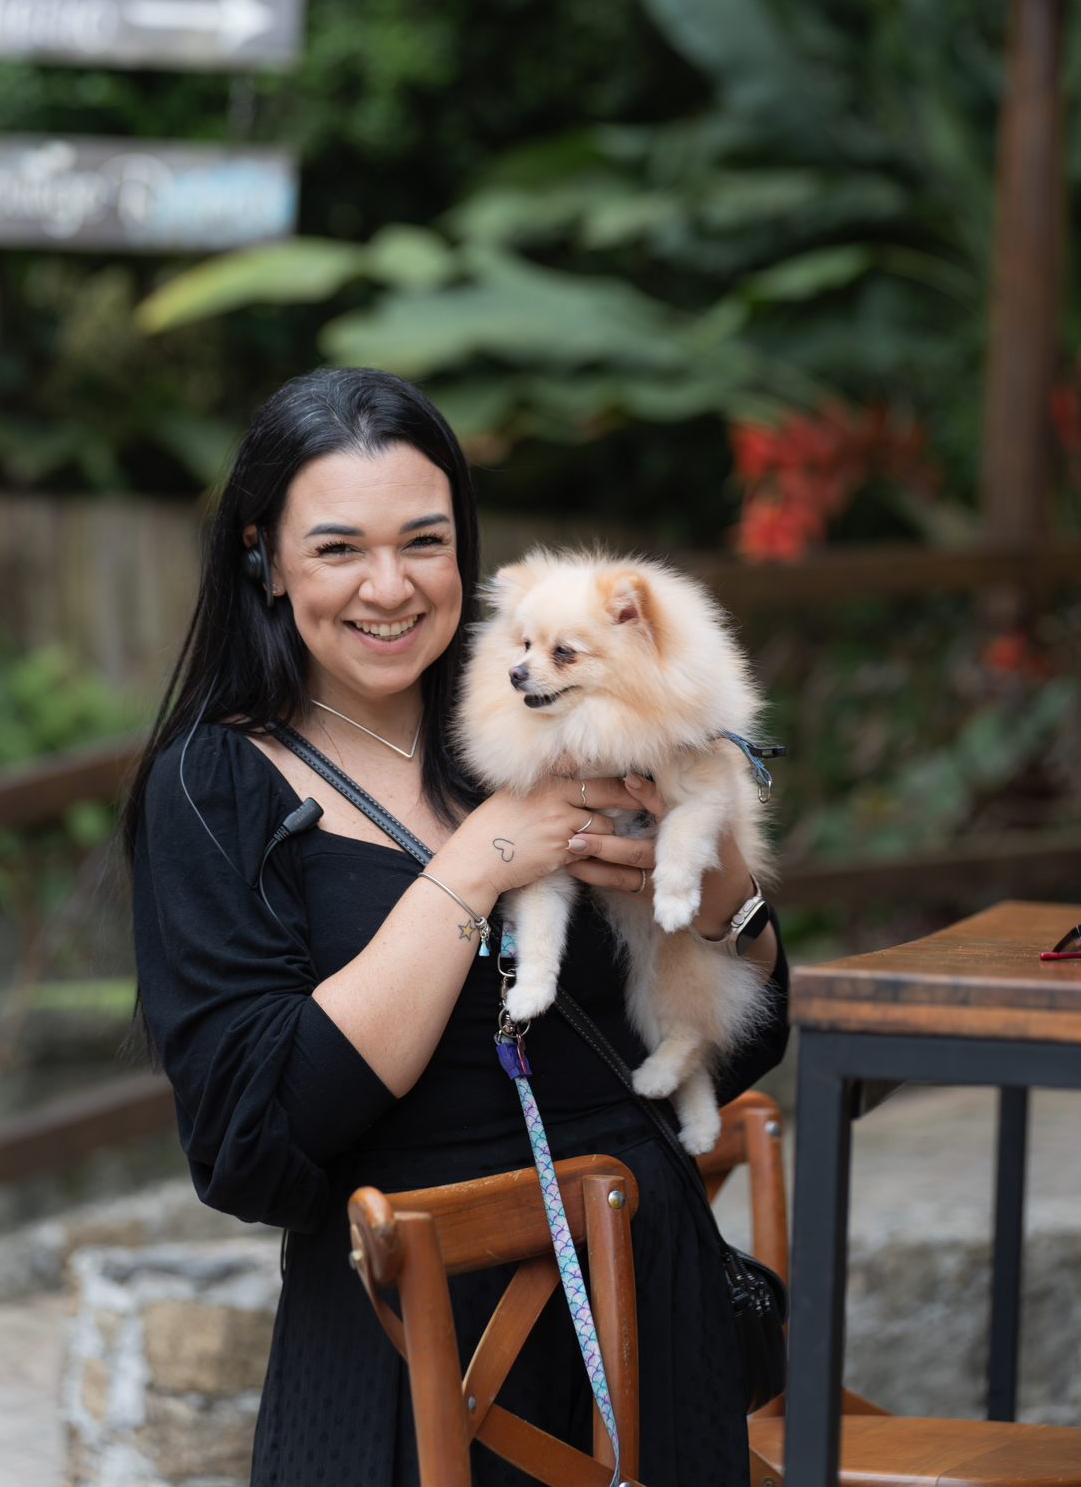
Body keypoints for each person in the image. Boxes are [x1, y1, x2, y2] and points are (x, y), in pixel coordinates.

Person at [128, 367, 789, 1487]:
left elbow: (751, 1036)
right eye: (339, 548)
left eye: (424, 543)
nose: (389, 587)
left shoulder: (541, 715)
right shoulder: (212, 784)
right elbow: (257, 1136)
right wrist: (480, 862)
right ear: (265, 558)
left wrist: (726, 886)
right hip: (408, 1342)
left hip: (644, 1304)